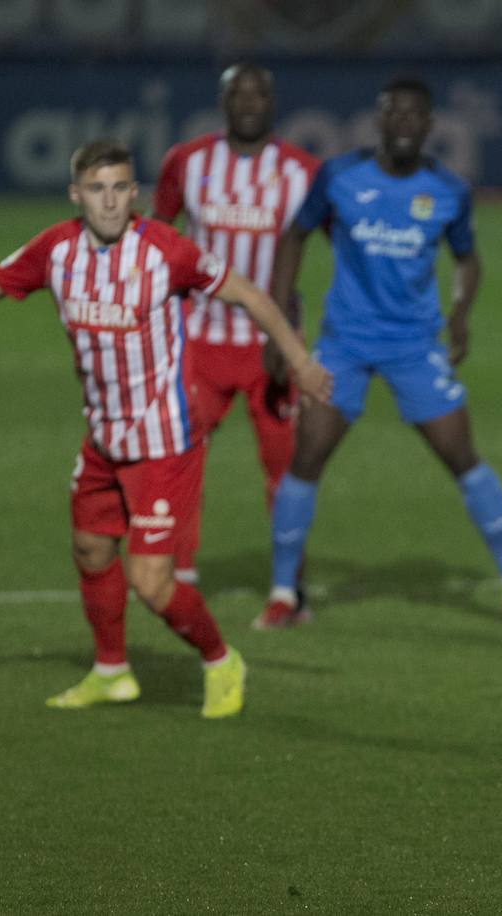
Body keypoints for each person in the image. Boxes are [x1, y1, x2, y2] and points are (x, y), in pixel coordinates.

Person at [0, 139, 331, 719]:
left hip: (163, 442)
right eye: (98, 189)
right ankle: (112, 671)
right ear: (77, 195)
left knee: (151, 582)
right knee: (91, 549)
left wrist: (298, 360)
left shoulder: (167, 252)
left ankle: (221, 660)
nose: (111, 201)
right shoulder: (56, 249)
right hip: (103, 438)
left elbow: (249, 294)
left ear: (135, 193)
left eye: (121, 188)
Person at [259, 76, 502, 632]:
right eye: (393, 114)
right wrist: (282, 326)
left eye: (415, 116)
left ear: (429, 125)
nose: (404, 125)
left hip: (415, 345)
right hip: (344, 342)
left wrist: (461, 312)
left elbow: (468, 259)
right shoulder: (339, 177)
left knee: (462, 456)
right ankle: (282, 594)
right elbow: (293, 238)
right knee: (308, 455)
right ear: (380, 119)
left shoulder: (447, 191)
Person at [153, 64, 320, 611]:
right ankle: (179, 573)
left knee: (283, 466)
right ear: (222, 101)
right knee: (181, 458)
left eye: (259, 93)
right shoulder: (187, 160)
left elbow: (337, 241)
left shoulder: (302, 171)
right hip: (198, 341)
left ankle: (286, 586)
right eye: (238, 93)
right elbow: (158, 236)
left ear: (273, 102)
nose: (249, 102)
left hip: (269, 348)